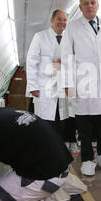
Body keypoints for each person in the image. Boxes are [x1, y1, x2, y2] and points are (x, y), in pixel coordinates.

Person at [60, 0, 101, 176]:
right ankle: (87, 159)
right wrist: (68, 83)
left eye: (92, 2)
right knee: (85, 125)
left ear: (98, 4)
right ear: (80, 7)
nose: (89, 6)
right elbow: (66, 57)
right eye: (85, 3)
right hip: (83, 84)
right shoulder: (72, 28)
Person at [26, 9, 73, 150]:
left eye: (64, 20)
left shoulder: (69, 39)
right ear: (52, 20)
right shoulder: (40, 37)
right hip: (44, 87)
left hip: (62, 88)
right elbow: (31, 61)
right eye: (59, 19)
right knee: (44, 122)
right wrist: (32, 86)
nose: (62, 22)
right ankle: (42, 151)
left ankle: (56, 152)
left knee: (61, 121)